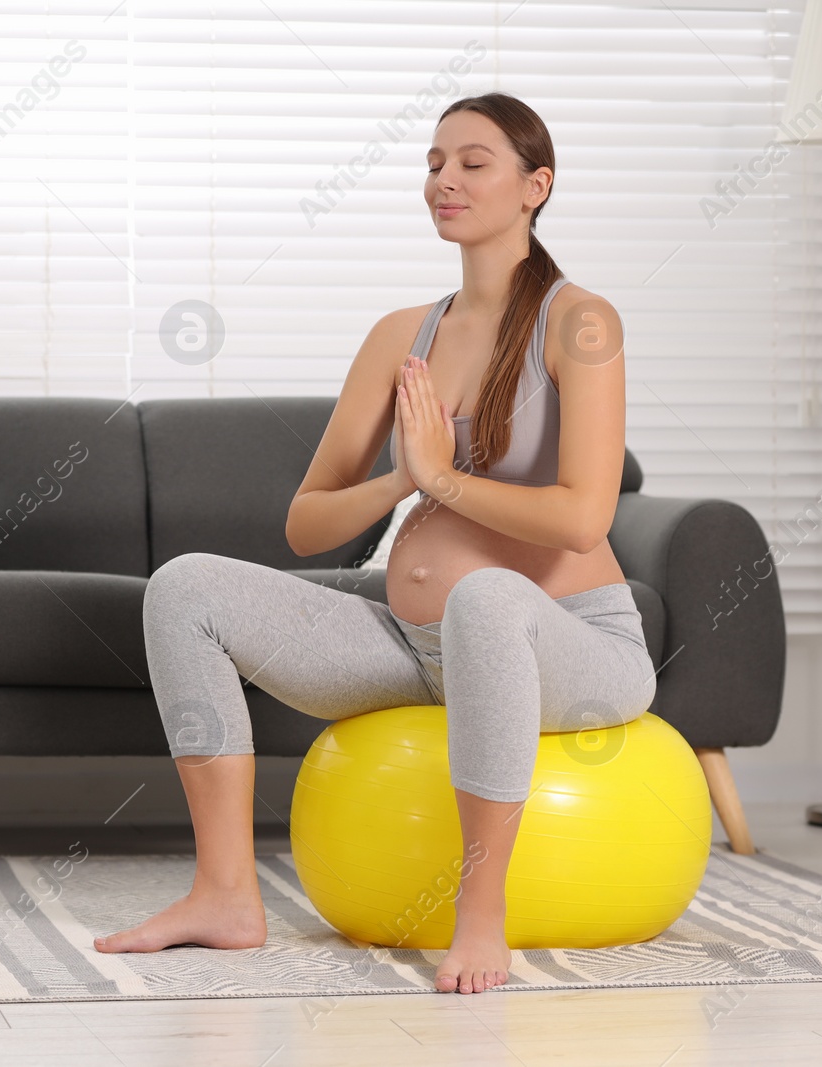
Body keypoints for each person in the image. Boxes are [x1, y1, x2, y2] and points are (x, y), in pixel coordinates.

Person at [93, 92, 656, 995]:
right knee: (184, 586)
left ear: (534, 186)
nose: (445, 180)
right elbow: (307, 522)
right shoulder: (403, 337)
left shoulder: (579, 321)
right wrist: (402, 478)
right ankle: (226, 893)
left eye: (473, 163)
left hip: (571, 641)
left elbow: (584, 518)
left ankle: (481, 916)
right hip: (414, 648)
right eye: (434, 162)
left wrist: (445, 481)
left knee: (485, 597)